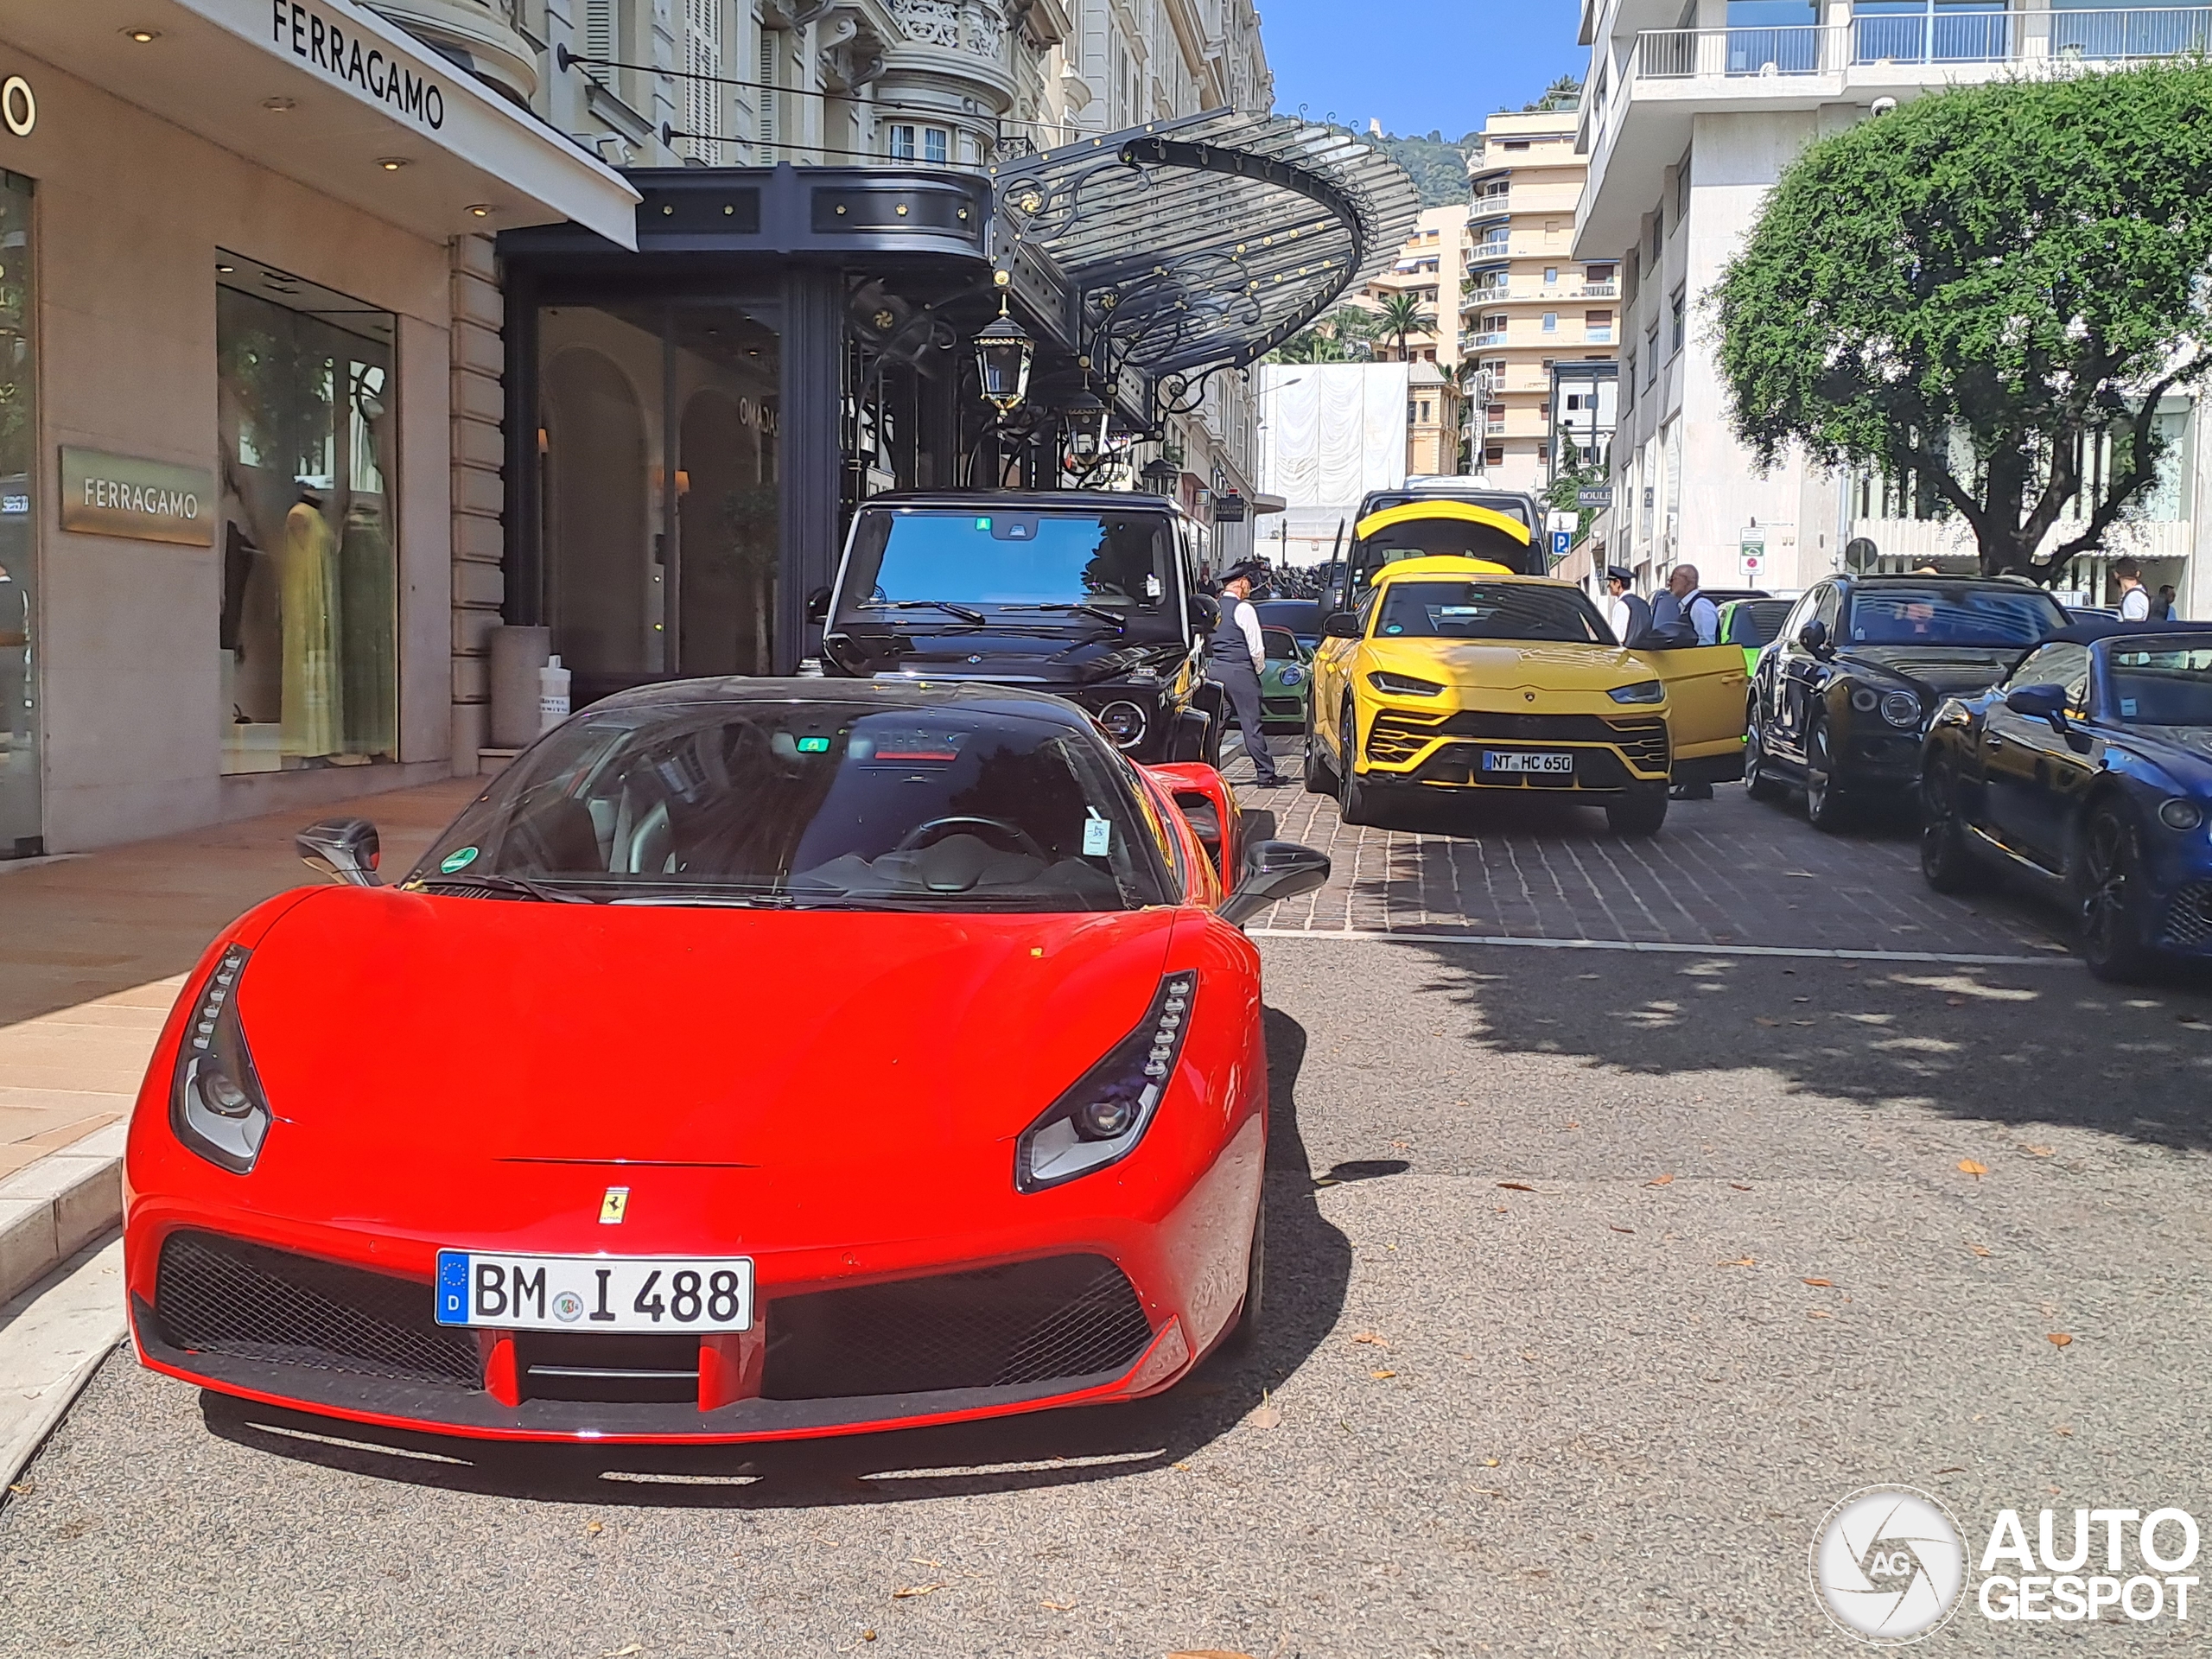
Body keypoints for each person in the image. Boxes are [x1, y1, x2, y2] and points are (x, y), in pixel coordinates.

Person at [1207, 559, 1283, 787]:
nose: (1249, 587)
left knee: (1215, 727)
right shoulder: (1244, 609)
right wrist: (1258, 671)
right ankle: (1266, 774)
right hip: (1240, 670)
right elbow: (1256, 647)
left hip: (1215, 671)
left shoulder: (1214, 607)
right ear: (1240, 583)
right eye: (1248, 583)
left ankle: (1210, 773)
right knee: (1251, 724)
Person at [1649, 563, 1719, 647]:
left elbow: (1706, 644)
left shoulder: (1700, 605)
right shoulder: (1689, 605)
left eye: (1673, 579)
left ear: (1687, 581)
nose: (1669, 584)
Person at [1604, 567, 1652, 647]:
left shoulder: (1621, 604)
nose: (1609, 586)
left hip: (1628, 652)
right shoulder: (1644, 603)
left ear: (1618, 583)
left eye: (1610, 582)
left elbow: (1617, 637)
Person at [2114, 557, 2152, 622]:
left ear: (2116, 574)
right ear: (2138, 574)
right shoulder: (2136, 593)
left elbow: (2133, 627)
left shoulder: (2133, 597)